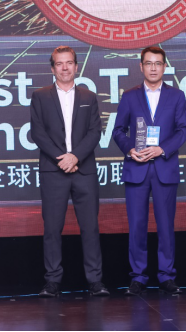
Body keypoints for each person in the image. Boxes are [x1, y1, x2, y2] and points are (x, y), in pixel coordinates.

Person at [29, 45, 109, 298]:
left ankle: (95, 281)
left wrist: (75, 157)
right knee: (52, 229)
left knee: (90, 228)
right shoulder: (40, 96)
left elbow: (95, 132)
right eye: (59, 63)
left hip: (84, 171)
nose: (65, 68)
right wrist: (61, 159)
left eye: (69, 63)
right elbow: (38, 133)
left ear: (76, 66)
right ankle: (52, 281)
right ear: (52, 68)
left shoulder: (89, 96)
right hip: (53, 172)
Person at [112, 46, 186, 296]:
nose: (153, 68)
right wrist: (129, 149)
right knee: (137, 225)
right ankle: (138, 277)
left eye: (158, 63)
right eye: (149, 63)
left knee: (166, 226)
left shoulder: (176, 96)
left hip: (165, 168)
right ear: (141, 66)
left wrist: (161, 149)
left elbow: (183, 130)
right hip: (137, 168)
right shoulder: (129, 96)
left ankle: (167, 276)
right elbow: (118, 130)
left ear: (165, 66)